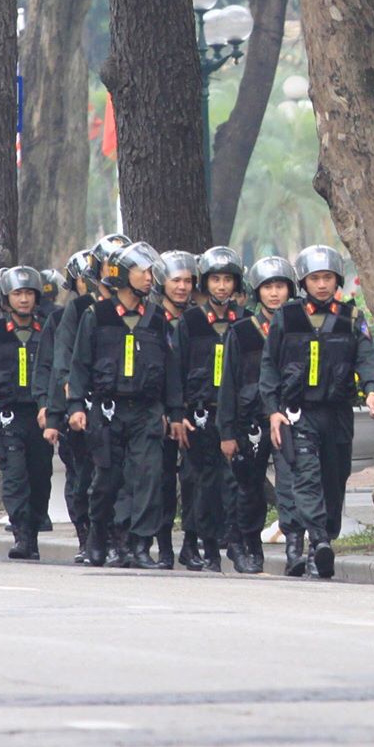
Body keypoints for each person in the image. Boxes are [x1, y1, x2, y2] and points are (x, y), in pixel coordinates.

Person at [261, 246, 374, 579]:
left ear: (337, 279)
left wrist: (371, 389)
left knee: (334, 479)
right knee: (306, 478)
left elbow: (366, 357)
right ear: (304, 281)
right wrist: (273, 410)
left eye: (327, 277)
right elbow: (269, 366)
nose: (322, 284)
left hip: (338, 413)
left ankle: (321, 545)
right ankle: (317, 540)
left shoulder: (352, 317)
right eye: (315, 278)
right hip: (299, 414)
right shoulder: (287, 317)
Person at [71, 241, 181, 569]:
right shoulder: (97, 316)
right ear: (121, 275)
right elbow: (80, 364)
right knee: (106, 480)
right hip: (107, 410)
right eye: (141, 271)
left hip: (146, 411)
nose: (149, 278)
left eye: (151, 271)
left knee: (148, 477)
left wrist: (175, 413)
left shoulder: (157, 318)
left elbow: (171, 369)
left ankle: (140, 545)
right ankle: (98, 538)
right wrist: (76, 405)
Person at [0, 267, 54, 561]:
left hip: (40, 415)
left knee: (40, 474)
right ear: (7, 299)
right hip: (7, 418)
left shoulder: (46, 330)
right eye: (18, 294)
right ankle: (21, 534)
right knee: (15, 475)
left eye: (29, 293)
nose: (24, 300)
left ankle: (34, 527)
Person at [226, 255, 296, 574]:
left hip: (287, 416)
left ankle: (297, 545)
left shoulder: (299, 327)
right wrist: (227, 430)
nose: (274, 293)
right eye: (268, 287)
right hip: (250, 420)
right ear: (257, 291)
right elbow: (228, 382)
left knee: (291, 481)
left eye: (280, 286)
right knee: (249, 485)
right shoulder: (241, 331)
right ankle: (247, 545)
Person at [175, 247, 243, 572]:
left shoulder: (243, 322)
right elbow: (176, 368)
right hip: (197, 413)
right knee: (197, 480)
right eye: (215, 279)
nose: (221, 286)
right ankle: (195, 543)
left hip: (231, 415)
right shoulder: (190, 321)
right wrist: (180, 413)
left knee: (230, 481)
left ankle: (229, 542)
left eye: (227, 279)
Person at [46, 247, 106, 562]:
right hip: (78, 406)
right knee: (81, 476)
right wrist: (60, 409)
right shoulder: (69, 315)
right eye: (84, 279)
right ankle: (85, 535)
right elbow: (59, 364)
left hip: (110, 406)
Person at [150, 251, 200, 568]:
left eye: (187, 281)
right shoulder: (152, 319)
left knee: (195, 480)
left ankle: (192, 543)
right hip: (161, 412)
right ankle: (164, 544)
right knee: (162, 479)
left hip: (195, 410)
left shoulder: (197, 320)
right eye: (175, 281)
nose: (182, 287)